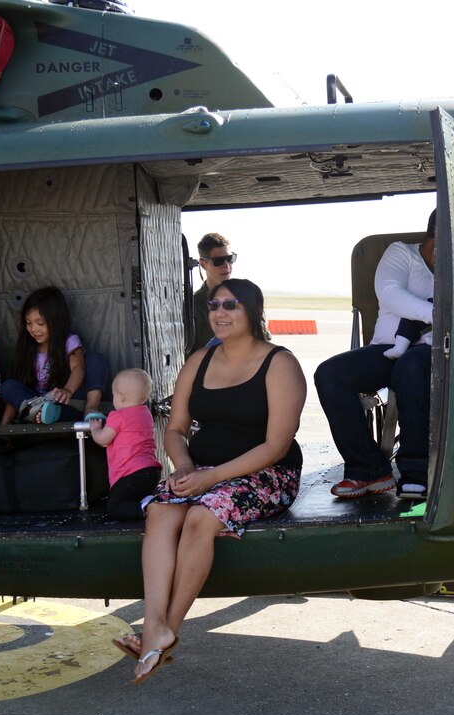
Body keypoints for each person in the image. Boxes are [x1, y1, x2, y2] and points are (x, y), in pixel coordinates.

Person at [113, 278, 304, 684]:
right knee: (161, 511)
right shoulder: (199, 361)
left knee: (202, 516)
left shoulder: (279, 363)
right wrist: (183, 468)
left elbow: (276, 444)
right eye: (215, 305)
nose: (220, 313)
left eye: (231, 305)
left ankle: (166, 630)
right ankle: (153, 626)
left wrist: (211, 478)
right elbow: (176, 429)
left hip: (265, 472)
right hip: (200, 469)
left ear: (252, 310)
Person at [314, 210, 435, 498]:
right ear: (436, 235)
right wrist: (436, 312)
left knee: (410, 366)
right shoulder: (401, 254)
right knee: (330, 374)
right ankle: (368, 469)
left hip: (435, 349)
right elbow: (390, 293)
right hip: (386, 347)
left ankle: (416, 472)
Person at [0, 286, 106, 424]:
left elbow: (78, 368)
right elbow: (17, 387)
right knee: (8, 386)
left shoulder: (69, 341)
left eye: (40, 323)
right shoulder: (27, 347)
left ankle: (91, 408)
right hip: (35, 405)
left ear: (57, 321)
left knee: (95, 360)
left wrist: (67, 390)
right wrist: (4, 426)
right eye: (28, 323)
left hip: (64, 404)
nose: (33, 329)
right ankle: (38, 411)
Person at [87, 368, 163, 520]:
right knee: (136, 497)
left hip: (130, 473)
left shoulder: (118, 416)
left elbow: (103, 439)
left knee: (115, 507)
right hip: (152, 470)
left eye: (114, 395)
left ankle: (146, 508)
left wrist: (95, 429)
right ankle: (149, 503)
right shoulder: (146, 413)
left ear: (120, 398)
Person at [190, 233, 237, 352]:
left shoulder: (246, 299)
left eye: (230, 259)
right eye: (218, 261)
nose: (227, 266)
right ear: (203, 263)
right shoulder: (192, 307)